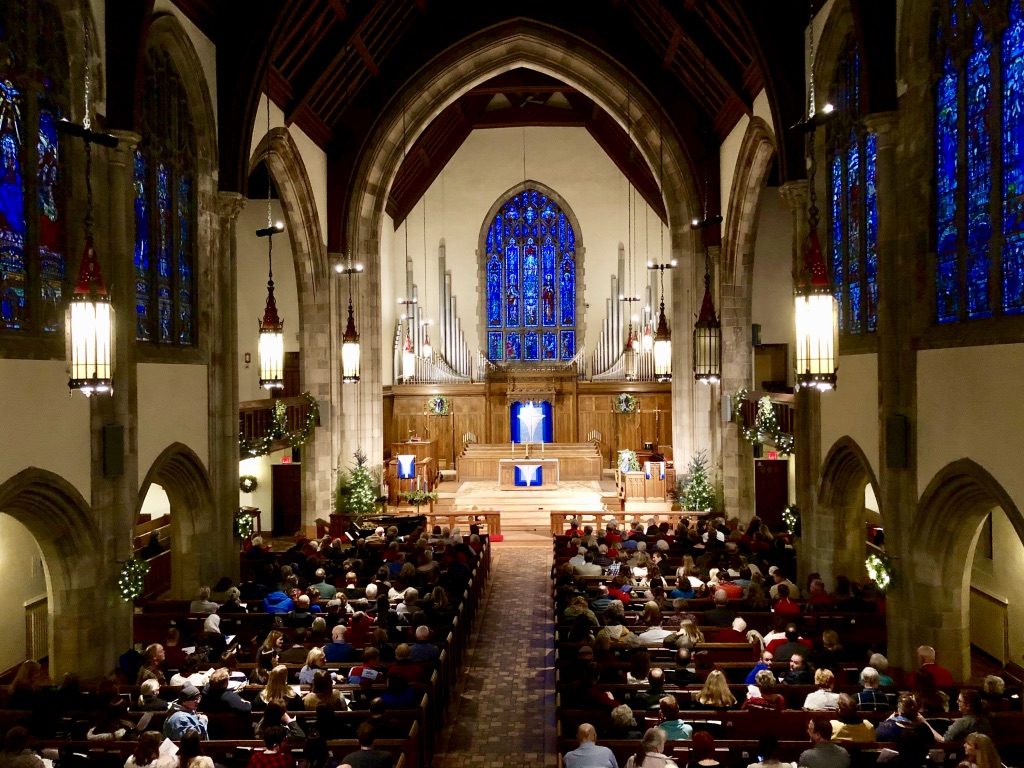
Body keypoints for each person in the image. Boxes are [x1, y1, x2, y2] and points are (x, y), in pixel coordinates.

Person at [875, 693, 943, 768]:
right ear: (916, 712)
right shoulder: (923, 728)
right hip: (920, 763)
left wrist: (888, 720)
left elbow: (876, 735)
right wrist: (924, 721)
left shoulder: (887, 727)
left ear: (899, 711)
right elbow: (939, 740)